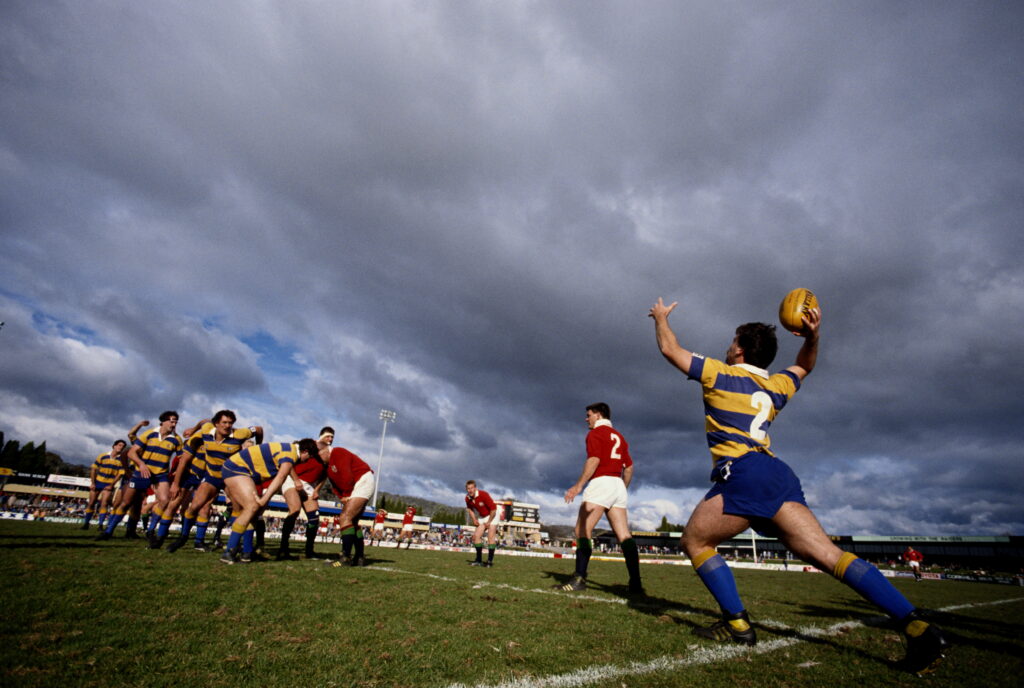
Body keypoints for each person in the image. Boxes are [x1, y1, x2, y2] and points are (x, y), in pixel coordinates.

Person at [648, 296, 948, 675]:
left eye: (733, 340)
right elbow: (805, 365)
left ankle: (738, 625)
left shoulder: (719, 372)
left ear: (738, 349)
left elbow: (669, 348)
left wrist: (660, 317)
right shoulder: (777, 386)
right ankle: (918, 627)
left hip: (746, 472)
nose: (729, 345)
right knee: (830, 556)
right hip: (777, 474)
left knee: (695, 541)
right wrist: (813, 336)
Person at [554, 403, 643, 594]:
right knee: (624, 535)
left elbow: (593, 460)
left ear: (599, 415)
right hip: (618, 484)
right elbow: (629, 468)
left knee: (582, 530)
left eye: (589, 415)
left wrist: (578, 486)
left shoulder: (595, 434)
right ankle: (636, 583)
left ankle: (579, 578)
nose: (586, 419)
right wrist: (621, 489)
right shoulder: (619, 436)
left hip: (601, 482)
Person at [165, 410, 261, 553]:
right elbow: (204, 421)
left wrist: (259, 445)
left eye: (230, 423)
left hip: (231, 477)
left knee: (238, 509)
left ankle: (238, 546)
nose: (227, 426)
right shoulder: (207, 429)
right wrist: (193, 429)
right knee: (194, 506)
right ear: (216, 423)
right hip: (212, 476)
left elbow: (259, 429)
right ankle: (183, 537)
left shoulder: (239, 434)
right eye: (224, 422)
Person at [218, 440, 316, 564]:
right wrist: (264, 499)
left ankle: (246, 553)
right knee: (252, 507)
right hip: (236, 469)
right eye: (308, 457)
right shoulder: (289, 455)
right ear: (305, 452)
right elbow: (280, 478)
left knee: (253, 513)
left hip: (242, 470)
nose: (306, 461)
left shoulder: (289, 451)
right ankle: (229, 551)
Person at [98, 413, 184, 541]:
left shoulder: (176, 439)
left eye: (176, 422)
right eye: (172, 421)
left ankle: (150, 530)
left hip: (160, 474)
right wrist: (141, 464)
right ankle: (108, 531)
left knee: (165, 500)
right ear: (163, 422)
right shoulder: (149, 434)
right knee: (126, 503)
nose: (174, 424)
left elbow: (182, 458)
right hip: (141, 473)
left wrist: (178, 471)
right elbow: (131, 452)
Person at [275, 433, 331, 560]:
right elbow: (288, 463)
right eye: (328, 436)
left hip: (309, 486)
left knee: (314, 517)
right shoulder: (308, 448)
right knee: (295, 509)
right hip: (292, 479)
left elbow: (324, 476)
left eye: (332, 437)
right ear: (321, 437)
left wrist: (317, 489)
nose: (330, 439)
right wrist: (296, 480)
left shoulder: (327, 458)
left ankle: (309, 551)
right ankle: (283, 549)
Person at [324, 444, 376, 567]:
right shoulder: (327, 467)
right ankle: (359, 557)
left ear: (325, 451)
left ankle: (345, 557)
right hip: (357, 485)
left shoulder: (338, 452)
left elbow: (347, 475)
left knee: (345, 517)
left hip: (362, 480)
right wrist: (342, 496)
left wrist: (347, 494)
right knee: (352, 521)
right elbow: (335, 485)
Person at [81, 440, 127, 530]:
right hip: (98, 482)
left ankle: (100, 525)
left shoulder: (121, 460)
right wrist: (93, 483)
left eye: (123, 446)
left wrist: (112, 484)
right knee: (91, 503)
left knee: (104, 503)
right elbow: (93, 469)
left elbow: (120, 473)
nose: (120, 447)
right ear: (114, 446)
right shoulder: (103, 456)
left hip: (109, 483)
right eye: (119, 445)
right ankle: (86, 523)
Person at [465, 480, 501, 567]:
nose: (470, 490)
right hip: (483, 517)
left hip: (493, 515)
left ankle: (489, 561)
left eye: (472, 488)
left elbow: (493, 509)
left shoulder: (483, 494)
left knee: (490, 537)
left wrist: (489, 522)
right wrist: (474, 519)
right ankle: (479, 560)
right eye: (468, 488)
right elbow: (470, 509)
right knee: (476, 536)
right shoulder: (467, 498)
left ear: (475, 488)